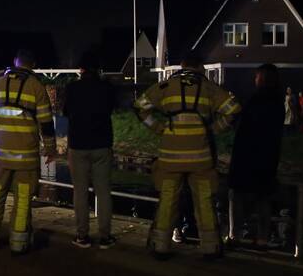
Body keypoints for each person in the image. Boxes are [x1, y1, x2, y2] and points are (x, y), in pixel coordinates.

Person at [134, 50, 240, 260]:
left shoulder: (165, 86)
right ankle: (210, 247)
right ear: (200, 66)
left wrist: (159, 128)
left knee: (167, 201)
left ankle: (160, 246)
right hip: (201, 158)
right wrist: (214, 129)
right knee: (204, 202)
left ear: (182, 65)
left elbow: (139, 107)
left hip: (170, 158)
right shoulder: (209, 88)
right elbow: (233, 109)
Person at [0, 49, 57, 255]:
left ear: (15, 62)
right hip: (26, 159)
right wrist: (50, 149)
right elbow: (46, 124)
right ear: (33, 64)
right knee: (22, 200)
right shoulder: (37, 88)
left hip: (0, 157)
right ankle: (18, 244)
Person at [63, 52, 117, 249]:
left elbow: (66, 112)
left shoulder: (72, 88)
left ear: (81, 69)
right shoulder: (107, 88)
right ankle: (105, 236)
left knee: (80, 192)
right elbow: (112, 109)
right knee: (103, 192)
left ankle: (82, 235)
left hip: (78, 145)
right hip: (102, 144)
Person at [227, 65, 285, 250]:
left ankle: (234, 235)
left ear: (261, 79)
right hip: (268, 157)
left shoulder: (254, 100)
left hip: (246, 156)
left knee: (237, 195)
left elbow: (243, 127)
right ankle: (262, 238)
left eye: (257, 77)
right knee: (263, 198)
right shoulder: (278, 102)